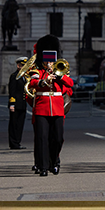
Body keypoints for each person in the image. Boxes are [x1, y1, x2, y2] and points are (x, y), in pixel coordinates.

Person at [27, 34, 74, 176]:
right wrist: (44, 80)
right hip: (42, 108)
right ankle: (42, 166)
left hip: (58, 108)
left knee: (57, 138)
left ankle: (54, 162)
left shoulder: (61, 70)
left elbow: (70, 84)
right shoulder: (38, 71)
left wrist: (59, 75)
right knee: (42, 138)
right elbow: (32, 82)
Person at [8, 56, 29, 149]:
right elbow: (12, 91)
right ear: (18, 66)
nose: (25, 67)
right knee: (14, 124)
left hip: (22, 104)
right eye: (23, 66)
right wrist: (12, 104)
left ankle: (17, 142)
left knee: (20, 124)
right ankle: (13, 143)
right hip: (16, 104)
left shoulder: (25, 77)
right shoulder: (14, 76)